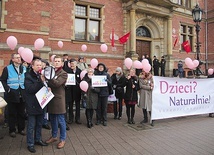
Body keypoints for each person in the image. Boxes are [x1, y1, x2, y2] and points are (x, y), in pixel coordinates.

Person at [24, 59, 48, 153]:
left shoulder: (40, 75)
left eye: (40, 65)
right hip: (32, 104)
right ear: (32, 66)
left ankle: (38, 139)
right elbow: (30, 89)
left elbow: (43, 86)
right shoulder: (28, 76)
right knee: (31, 126)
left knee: (39, 124)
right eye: (37, 65)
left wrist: (47, 87)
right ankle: (30, 144)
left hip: (41, 104)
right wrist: (40, 81)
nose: (39, 67)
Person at [1, 53, 26, 138]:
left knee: (21, 112)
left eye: (20, 57)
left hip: (22, 93)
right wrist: (8, 89)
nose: (19, 59)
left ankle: (21, 128)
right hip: (12, 93)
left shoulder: (24, 68)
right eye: (17, 58)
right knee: (12, 113)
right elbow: (3, 80)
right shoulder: (7, 69)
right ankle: (12, 130)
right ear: (13, 59)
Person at [45, 55, 68, 149]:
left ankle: (62, 139)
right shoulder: (51, 71)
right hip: (51, 99)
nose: (57, 62)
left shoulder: (63, 73)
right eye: (56, 61)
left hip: (58, 100)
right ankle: (54, 136)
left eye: (59, 61)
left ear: (62, 63)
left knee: (61, 120)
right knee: (53, 119)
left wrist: (49, 78)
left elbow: (57, 83)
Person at [64, 59, 82, 124]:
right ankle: (71, 118)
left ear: (76, 64)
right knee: (70, 106)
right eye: (71, 63)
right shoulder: (67, 71)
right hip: (69, 91)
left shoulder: (79, 71)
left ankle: (78, 119)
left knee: (78, 106)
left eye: (73, 63)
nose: (72, 65)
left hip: (77, 91)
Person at [40, 59, 51, 130]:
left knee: (46, 109)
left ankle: (45, 122)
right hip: (40, 92)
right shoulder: (38, 72)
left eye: (45, 64)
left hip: (47, 91)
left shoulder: (48, 72)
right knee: (42, 108)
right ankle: (42, 122)